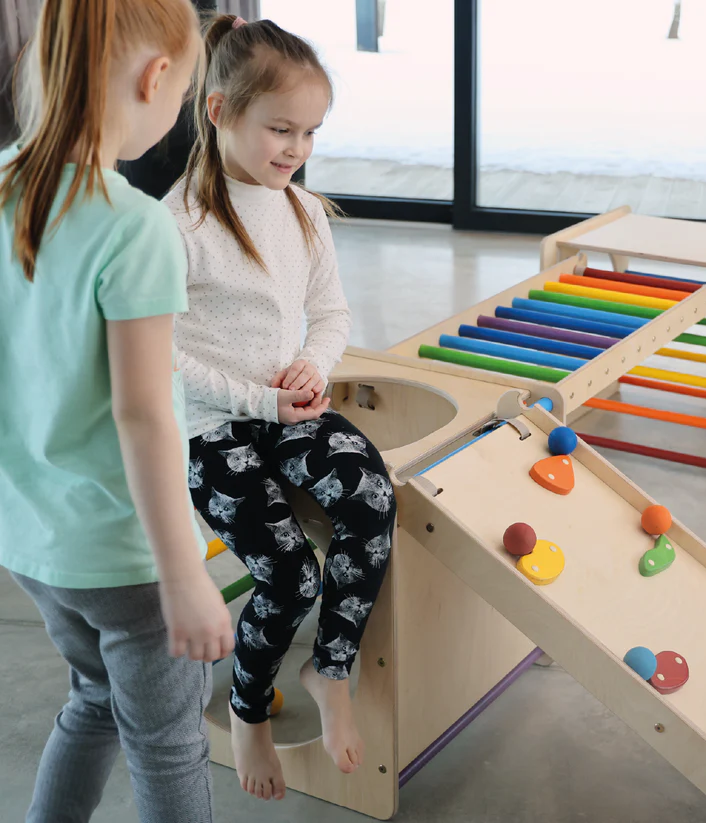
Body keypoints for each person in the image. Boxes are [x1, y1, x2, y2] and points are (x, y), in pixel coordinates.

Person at [0, 1, 235, 821]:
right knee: (168, 744)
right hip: (126, 557)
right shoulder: (133, 228)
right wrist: (184, 576)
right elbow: (143, 416)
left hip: (33, 542)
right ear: (156, 76)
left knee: (96, 699)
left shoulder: (1, 184)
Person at [164, 13, 397, 803]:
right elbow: (163, 351)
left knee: (371, 498)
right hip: (210, 424)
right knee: (289, 573)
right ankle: (248, 708)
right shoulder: (178, 223)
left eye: (310, 133)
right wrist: (260, 396)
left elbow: (330, 313)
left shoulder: (299, 210)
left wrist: (312, 365)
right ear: (219, 109)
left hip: (284, 407)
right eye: (281, 129)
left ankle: (328, 667)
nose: (296, 150)